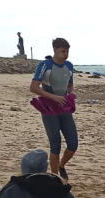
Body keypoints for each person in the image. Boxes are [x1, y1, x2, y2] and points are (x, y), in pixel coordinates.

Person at [30, 37, 77, 179]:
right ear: (55, 50)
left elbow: (69, 85)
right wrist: (53, 97)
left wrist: (71, 93)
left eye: (67, 51)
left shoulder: (69, 66)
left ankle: (62, 165)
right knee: (55, 144)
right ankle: (54, 177)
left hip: (64, 108)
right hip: (49, 108)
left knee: (73, 144)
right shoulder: (45, 65)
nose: (66, 54)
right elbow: (33, 87)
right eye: (63, 51)